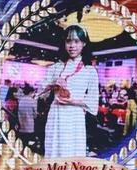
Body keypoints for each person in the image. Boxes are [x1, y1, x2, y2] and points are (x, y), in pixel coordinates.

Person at [39, 25, 99, 158]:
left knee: (71, 153)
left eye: (76, 41)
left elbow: (93, 101)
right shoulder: (56, 67)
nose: (72, 46)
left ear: (84, 43)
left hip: (74, 116)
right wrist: (53, 83)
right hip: (56, 114)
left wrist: (73, 101)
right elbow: (40, 91)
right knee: (53, 151)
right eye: (68, 41)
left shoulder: (89, 70)